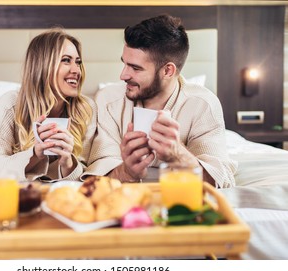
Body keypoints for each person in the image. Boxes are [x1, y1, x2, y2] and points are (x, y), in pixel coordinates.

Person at [86, 14, 237, 188]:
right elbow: (96, 179)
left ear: (167, 71)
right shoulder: (107, 100)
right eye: (124, 64)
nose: (123, 75)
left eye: (135, 68)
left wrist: (178, 154)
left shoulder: (203, 105)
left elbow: (220, 181)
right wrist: (126, 172)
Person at [0, 28, 96, 183]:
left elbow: (85, 172)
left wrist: (67, 162)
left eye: (78, 62)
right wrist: (35, 154)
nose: (77, 70)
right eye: (66, 60)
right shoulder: (11, 103)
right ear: (43, 65)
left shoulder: (86, 109)